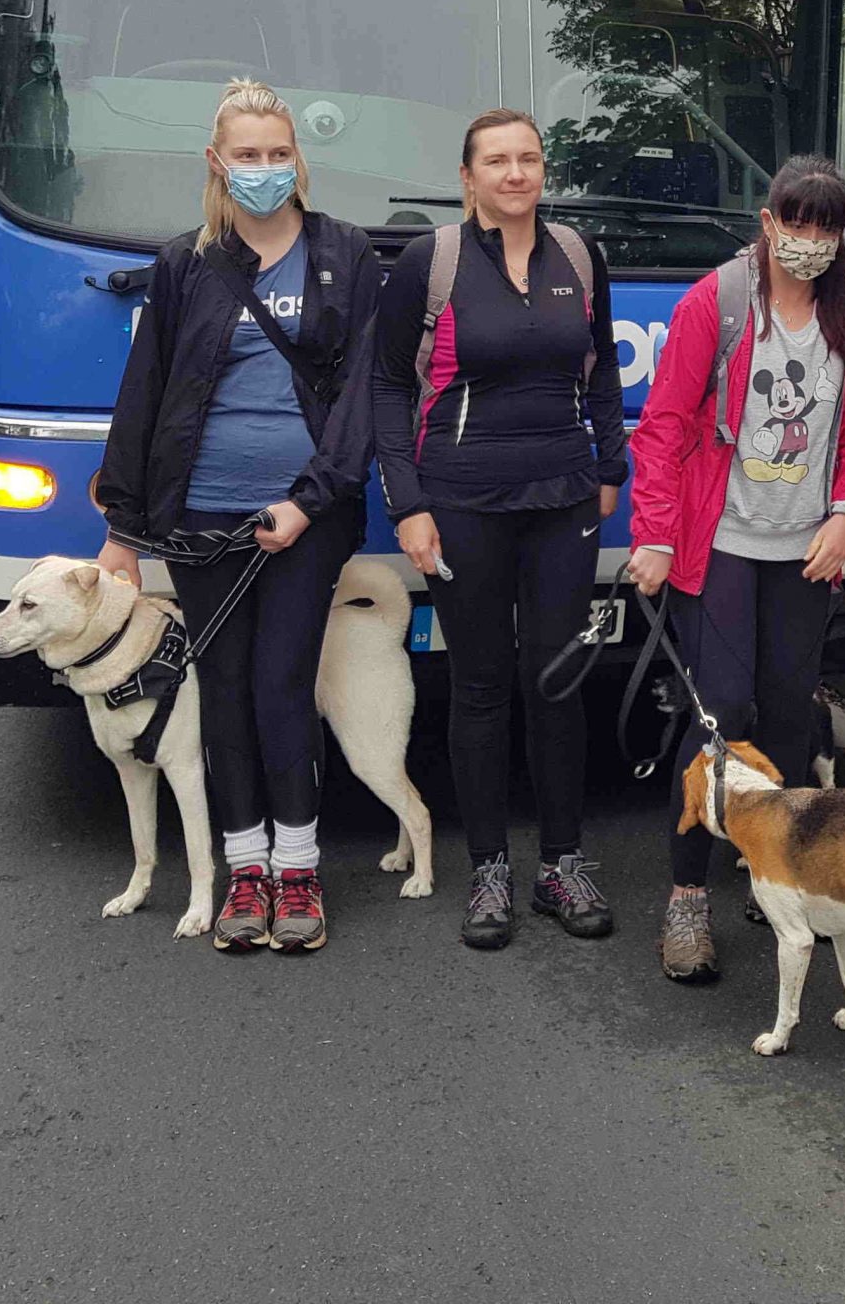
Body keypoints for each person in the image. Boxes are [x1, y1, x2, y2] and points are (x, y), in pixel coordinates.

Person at [94, 78, 381, 956]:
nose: (264, 169)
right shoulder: (188, 263)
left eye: (278, 153)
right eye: (246, 155)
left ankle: (299, 868)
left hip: (306, 513)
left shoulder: (346, 254)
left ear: (300, 159)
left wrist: (306, 501)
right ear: (217, 163)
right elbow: (146, 394)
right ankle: (243, 870)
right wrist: (123, 531)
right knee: (222, 691)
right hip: (202, 516)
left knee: (281, 685)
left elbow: (364, 397)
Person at [624, 156, 845, 985]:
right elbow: (663, 425)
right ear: (767, 221)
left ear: (840, 236)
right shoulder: (720, 302)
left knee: (787, 721)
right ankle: (686, 896)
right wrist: (657, 534)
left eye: (824, 226)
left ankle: (777, 874)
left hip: (806, 552)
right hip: (725, 547)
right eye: (794, 221)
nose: (808, 240)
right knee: (721, 718)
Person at [371, 109, 626, 950]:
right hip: (462, 503)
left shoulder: (579, 257)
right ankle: (487, 869)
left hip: (562, 501)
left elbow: (599, 377)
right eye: (498, 161)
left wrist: (609, 471)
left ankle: (561, 864)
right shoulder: (429, 263)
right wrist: (409, 505)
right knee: (479, 687)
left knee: (556, 683)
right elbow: (387, 390)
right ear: (468, 177)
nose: (516, 174)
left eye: (529, 159)